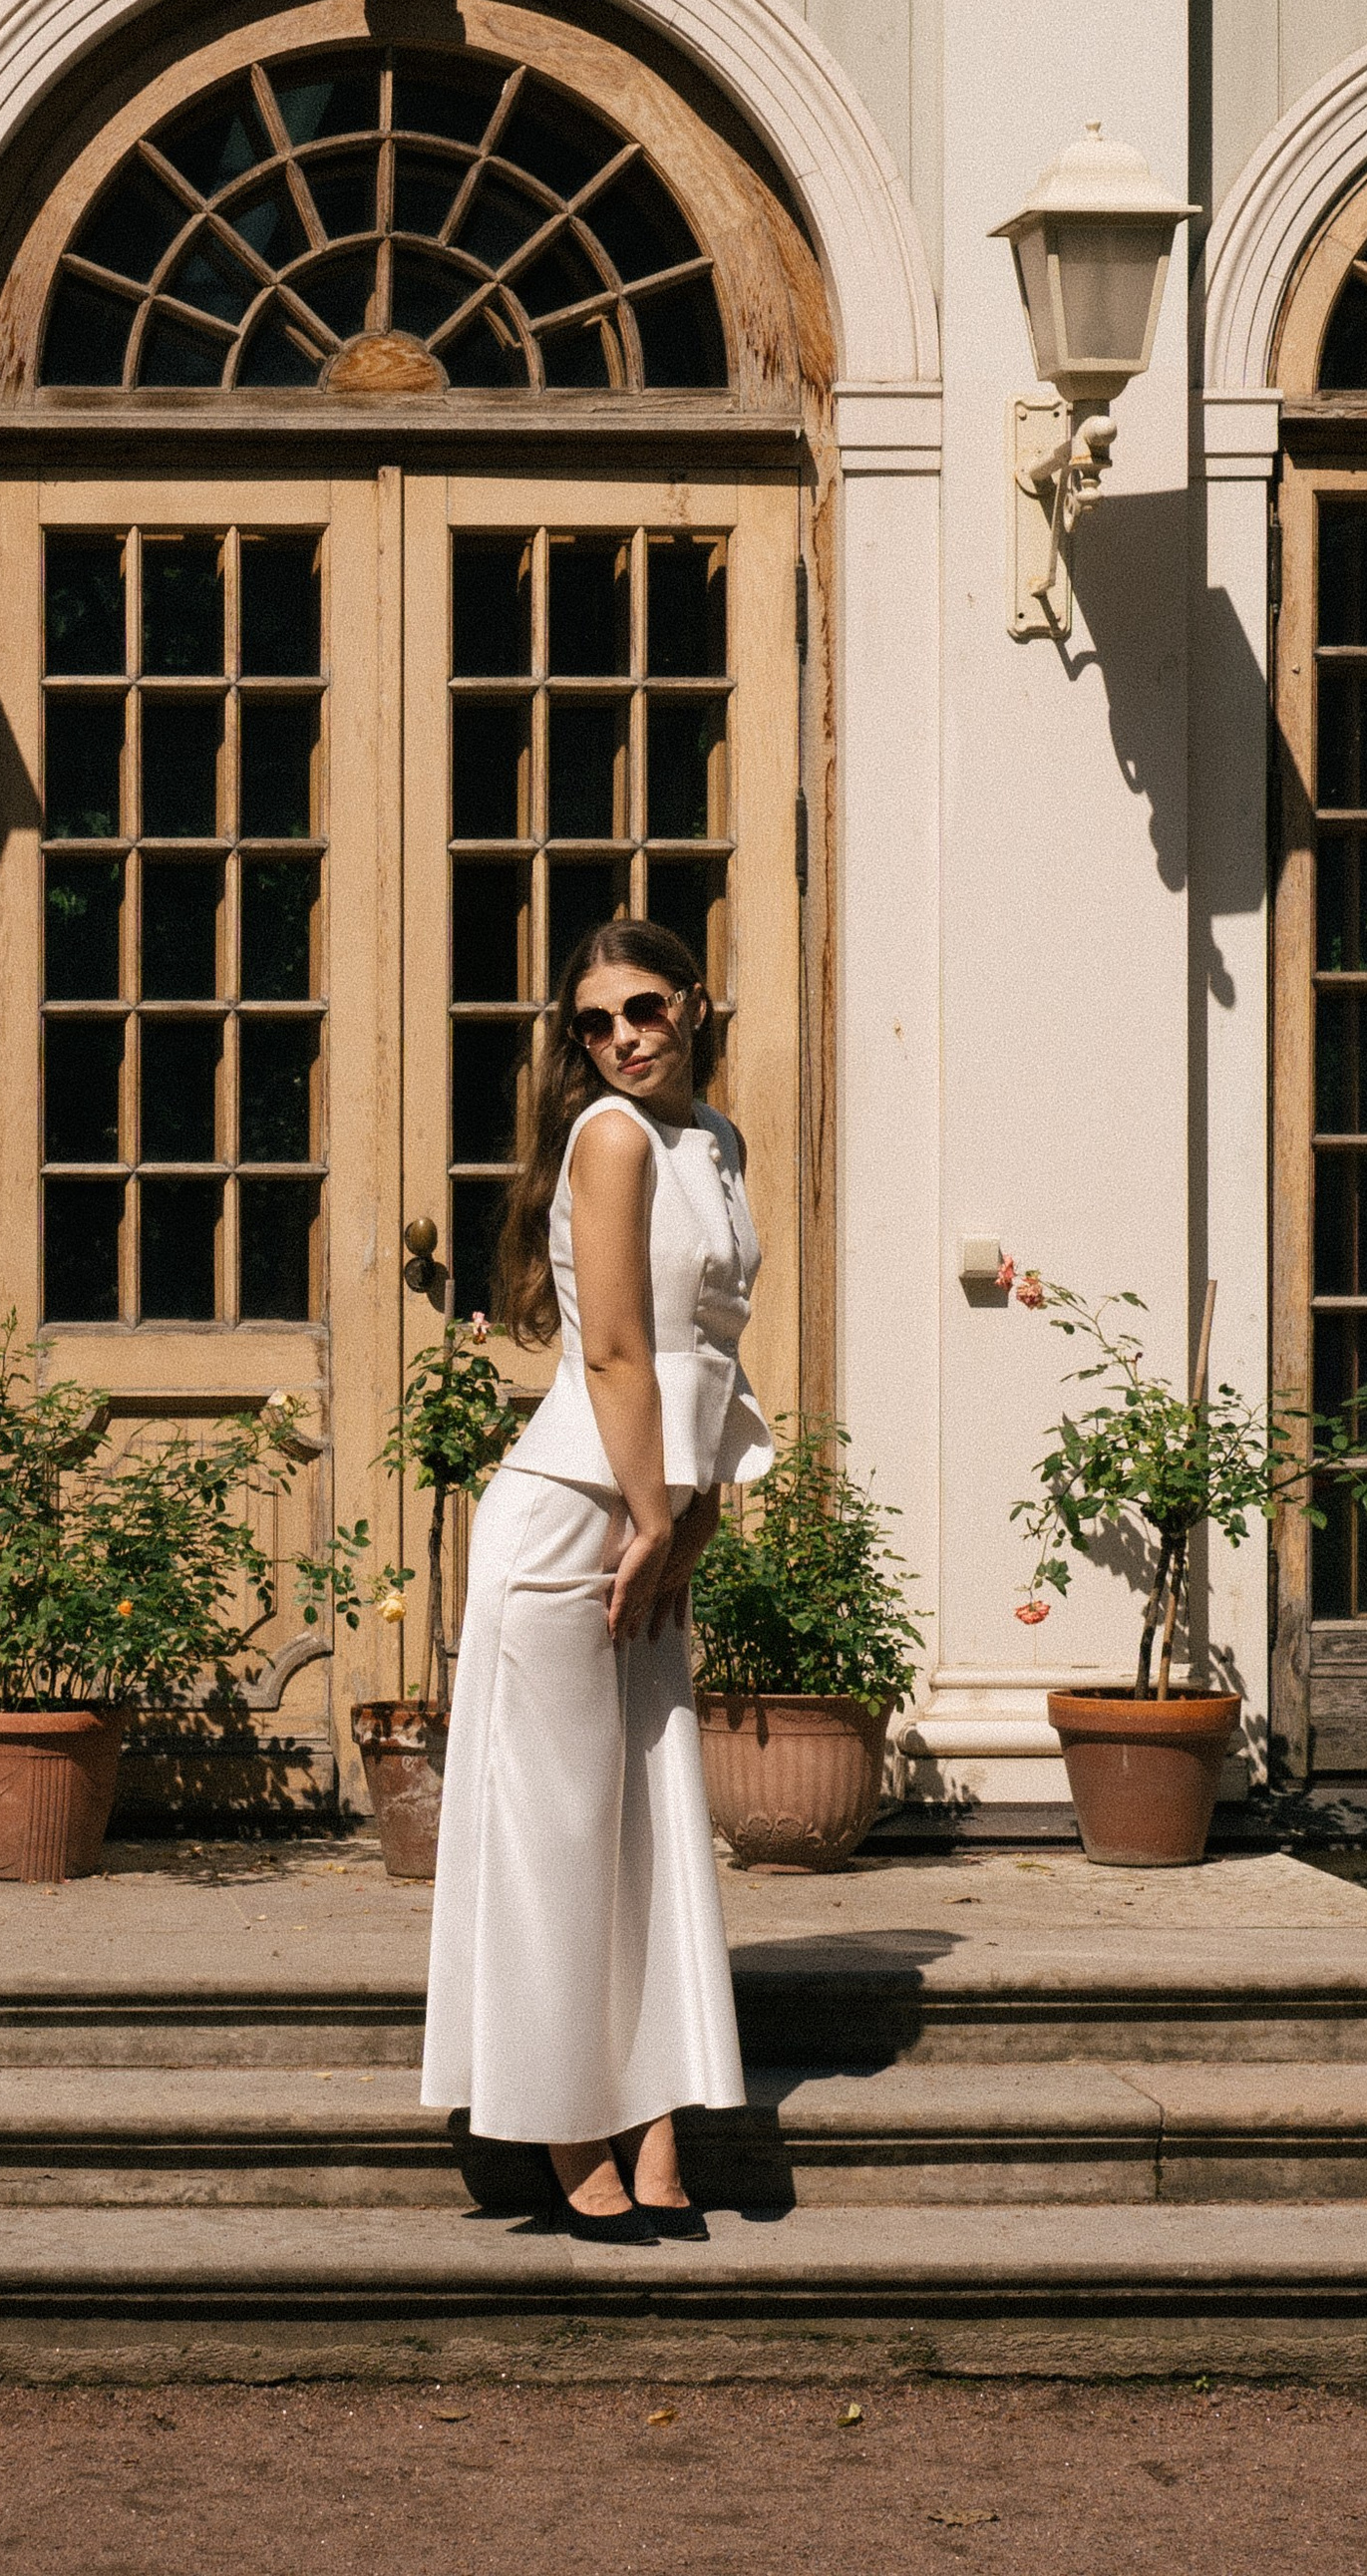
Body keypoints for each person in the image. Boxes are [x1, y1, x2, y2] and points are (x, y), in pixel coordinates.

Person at [418, 914, 774, 2244]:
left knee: (645, 1827)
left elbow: (714, 1356)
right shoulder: (610, 1139)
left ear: (693, 1002)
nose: (624, 1038)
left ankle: (660, 2110)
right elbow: (618, 1354)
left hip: (648, 1520)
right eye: (595, 1022)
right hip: (574, 1522)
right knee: (560, 1833)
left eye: (644, 1008)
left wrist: (693, 1521)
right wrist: (646, 1520)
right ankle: (572, 2126)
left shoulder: (715, 1141)